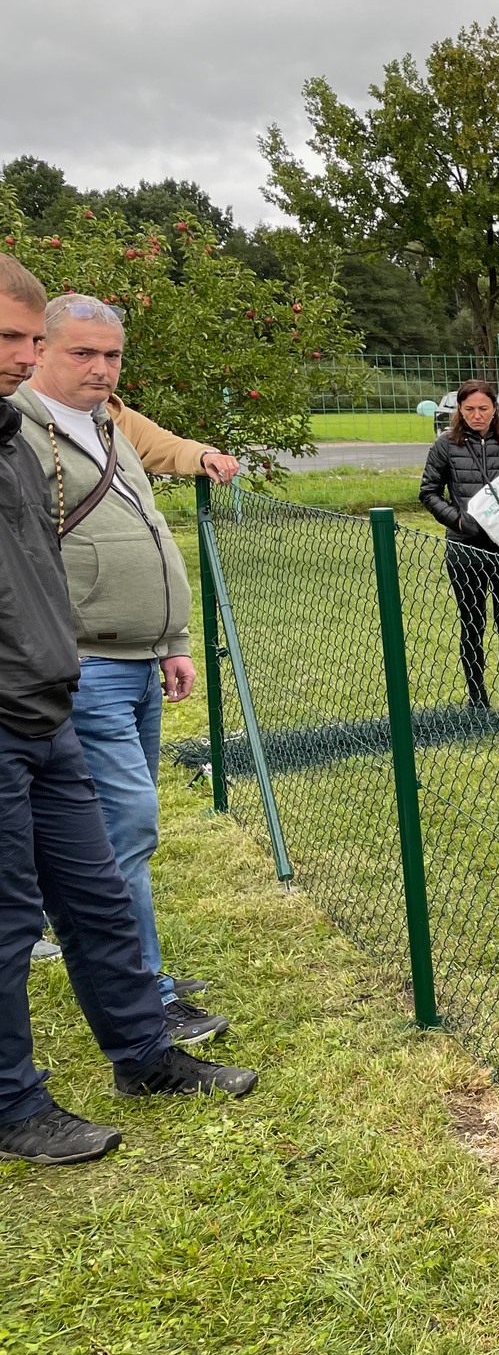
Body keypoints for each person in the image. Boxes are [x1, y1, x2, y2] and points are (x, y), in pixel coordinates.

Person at [0, 256, 257, 1168]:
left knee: (102, 868)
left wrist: (172, 637)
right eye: (72, 351)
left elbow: (156, 465)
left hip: (94, 679)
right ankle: (53, 1072)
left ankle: (142, 1032)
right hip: (64, 676)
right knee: (73, 869)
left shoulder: (92, 421)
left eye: (111, 353)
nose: (97, 368)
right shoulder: (21, 428)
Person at [418, 381, 499, 718]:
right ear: (459, 410)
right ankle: (477, 696)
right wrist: (459, 521)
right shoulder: (445, 446)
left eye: (483, 408)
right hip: (464, 547)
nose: (477, 415)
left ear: (494, 410)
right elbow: (429, 492)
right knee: (472, 621)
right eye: (469, 409)